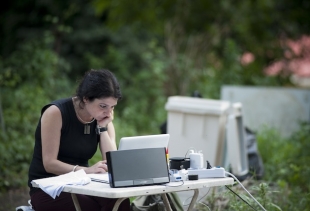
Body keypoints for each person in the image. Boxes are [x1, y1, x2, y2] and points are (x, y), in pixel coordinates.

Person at [27, 69, 130, 211]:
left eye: (112, 107)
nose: (108, 112)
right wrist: (87, 171)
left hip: (82, 184)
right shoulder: (56, 112)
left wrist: (102, 128)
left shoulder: (103, 119)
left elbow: (113, 162)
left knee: (120, 203)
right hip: (48, 186)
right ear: (86, 98)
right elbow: (49, 163)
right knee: (89, 207)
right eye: (103, 106)